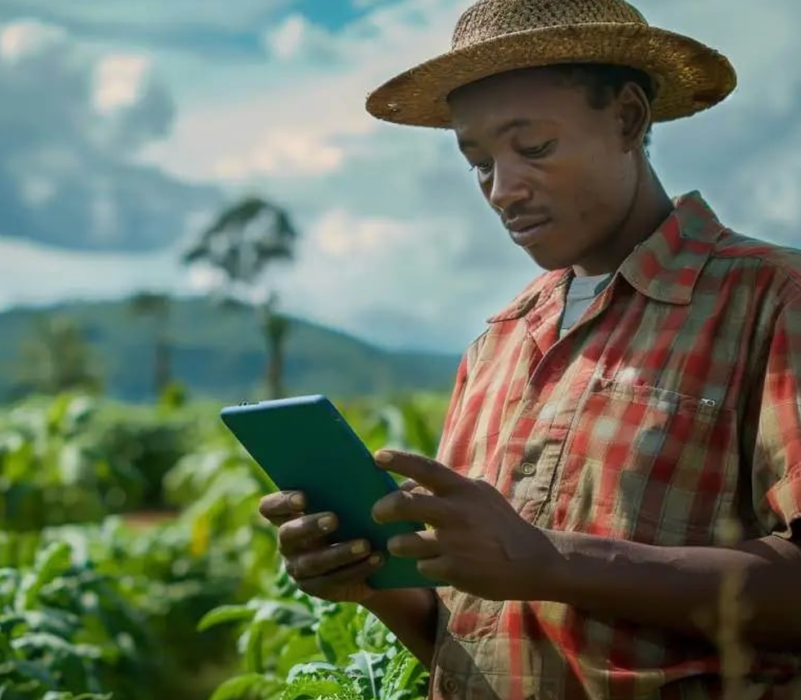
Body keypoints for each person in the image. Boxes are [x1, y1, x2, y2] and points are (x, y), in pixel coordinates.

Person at [258, 0, 801, 698]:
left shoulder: (772, 301)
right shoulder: (500, 343)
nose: (502, 190)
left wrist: (548, 560)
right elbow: (472, 633)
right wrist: (369, 580)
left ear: (629, 121)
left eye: (534, 148)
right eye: (478, 161)